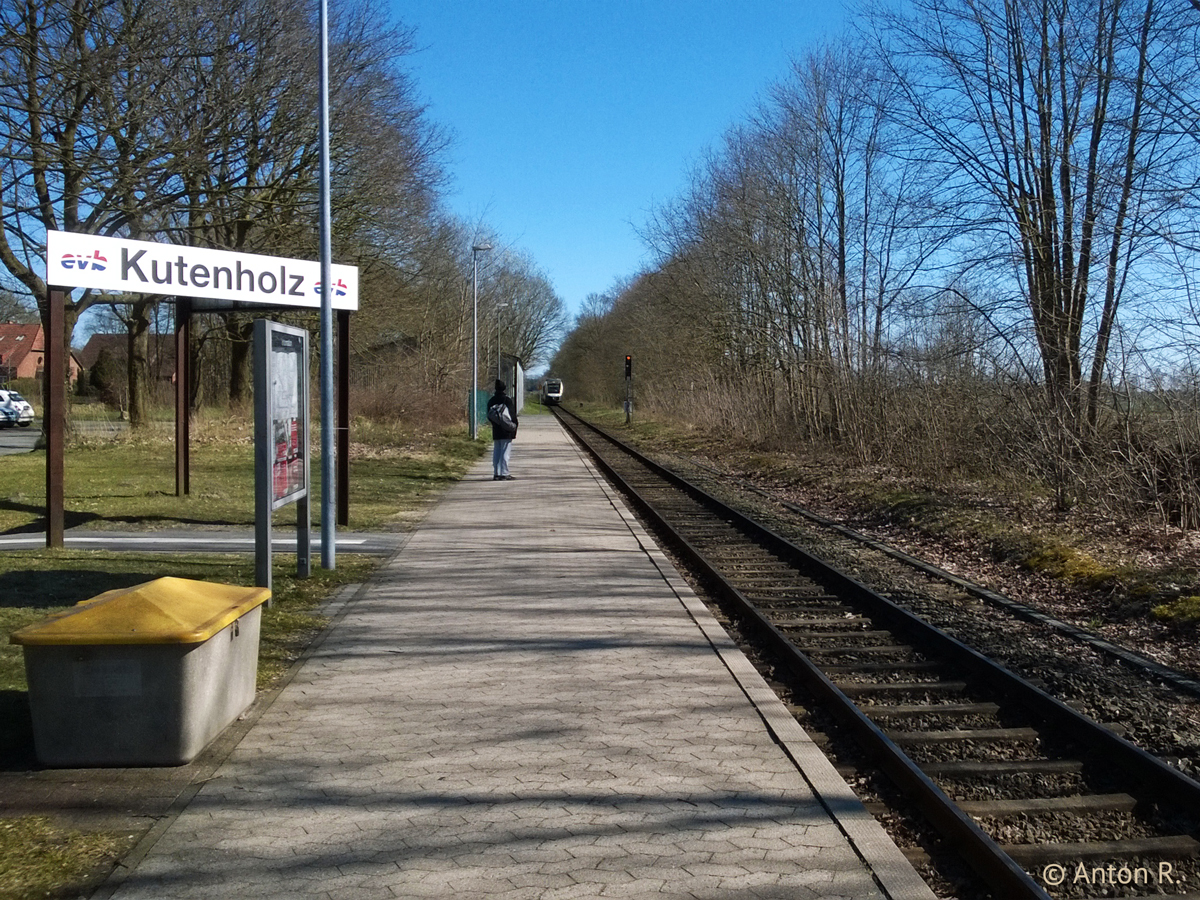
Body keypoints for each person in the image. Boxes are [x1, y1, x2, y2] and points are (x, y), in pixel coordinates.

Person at [487, 379, 518, 480]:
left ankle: (496, 473)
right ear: (504, 388)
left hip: (496, 429)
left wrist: (496, 423)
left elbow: (489, 416)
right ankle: (504, 473)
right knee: (505, 452)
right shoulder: (507, 400)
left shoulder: (491, 401)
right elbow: (512, 415)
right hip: (506, 430)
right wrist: (514, 427)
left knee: (496, 451)